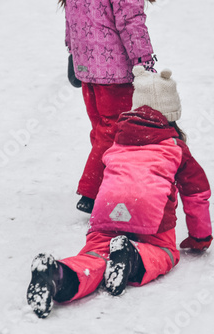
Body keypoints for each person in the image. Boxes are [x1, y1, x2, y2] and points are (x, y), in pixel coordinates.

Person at [26, 67, 213, 319]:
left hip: (108, 212)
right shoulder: (175, 147)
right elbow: (196, 195)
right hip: (151, 219)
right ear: (172, 115)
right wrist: (200, 238)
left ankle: (58, 275)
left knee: (94, 257)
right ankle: (132, 257)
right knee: (165, 253)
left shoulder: (118, 141)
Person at [59, 0, 158, 213]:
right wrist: (143, 60)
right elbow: (130, 21)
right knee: (115, 130)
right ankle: (92, 192)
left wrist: (72, 52)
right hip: (114, 71)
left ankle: (108, 184)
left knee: (101, 130)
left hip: (87, 67)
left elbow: (71, 16)